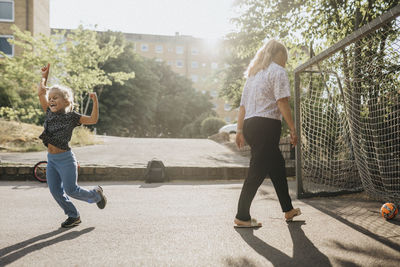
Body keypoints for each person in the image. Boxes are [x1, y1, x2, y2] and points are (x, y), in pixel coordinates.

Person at [234, 40, 301, 228]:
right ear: (278, 53)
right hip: (266, 126)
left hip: (250, 125)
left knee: (277, 165)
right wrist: (293, 130)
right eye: (285, 56)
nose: (285, 61)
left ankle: (288, 209)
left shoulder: (253, 75)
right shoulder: (277, 71)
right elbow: (282, 103)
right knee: (257, 170)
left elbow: (242, 107)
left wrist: (239, 131)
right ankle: (242, 215)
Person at [37, 63, 107, 228]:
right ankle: (73, 216)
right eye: (50, 97)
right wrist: (45, 76)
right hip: (51, 159)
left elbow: (93, 120)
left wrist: (95, 101)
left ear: (66, 100)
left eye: (56, 97)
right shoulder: (48, 111)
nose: (51, 99)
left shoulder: (72, 117)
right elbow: (41, 91)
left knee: (71, 190)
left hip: (66, 159)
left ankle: (96, 195)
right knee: (55, 191)